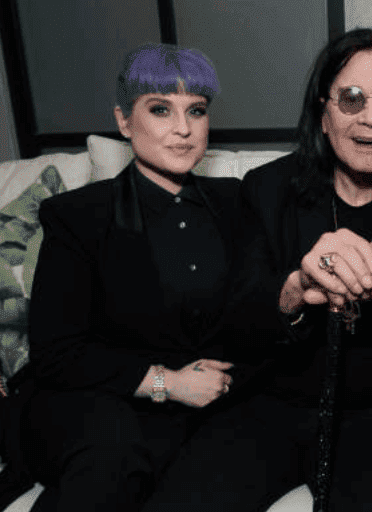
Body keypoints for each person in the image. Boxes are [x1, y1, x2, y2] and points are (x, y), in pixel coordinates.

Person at [142, 26, 372, 511]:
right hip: (268, 403)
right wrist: (294, 289)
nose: (371, 118)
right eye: (351, 98)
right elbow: (233, 318)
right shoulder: (266, 189)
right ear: (324, 114)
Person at [9, 43, 242, 511]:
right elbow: (58, 355)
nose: (183, 128)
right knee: (113, 455)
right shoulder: (78, 216)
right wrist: (167, 383)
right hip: (81, 400)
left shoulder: (235, 202)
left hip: (184, 413)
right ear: (123, 122)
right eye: (160, 109)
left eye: (196, 110)